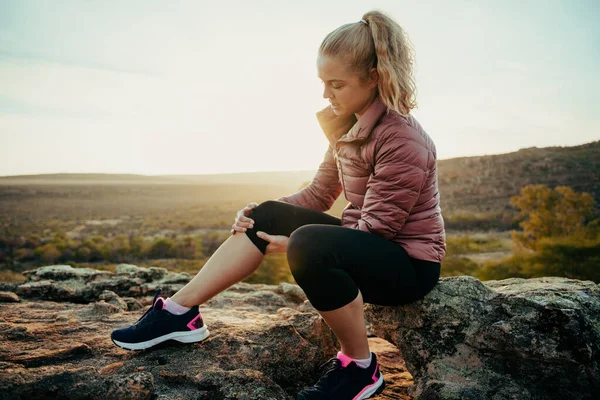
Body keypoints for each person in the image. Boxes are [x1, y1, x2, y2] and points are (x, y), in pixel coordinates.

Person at [111, 10, 446, 400]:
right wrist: (259, 213)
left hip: (408, 266)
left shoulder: (402, 138)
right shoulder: (347, 125)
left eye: (336, 84)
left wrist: (297, 242)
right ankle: (178, 314)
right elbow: (319, 192)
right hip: (367, 243)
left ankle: (360, 367)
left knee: (309, 243)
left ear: (373, 77)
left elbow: (379, 227)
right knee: (266, 214)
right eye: (323, 83)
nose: (326, 95)